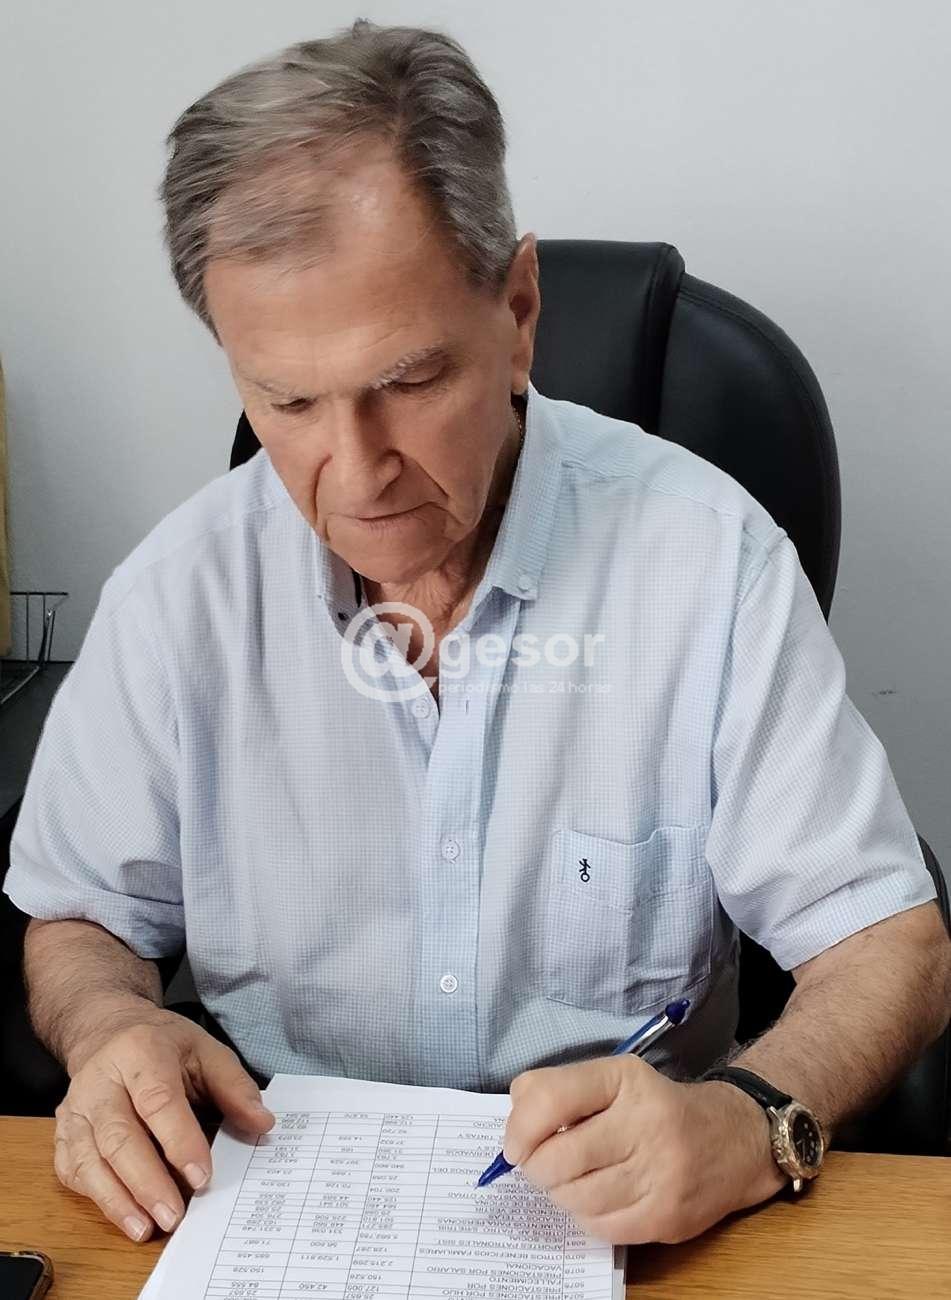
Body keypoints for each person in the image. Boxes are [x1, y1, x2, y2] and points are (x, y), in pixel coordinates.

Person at [5, 18, 950, 1252]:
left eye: (407, 381)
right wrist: (110, 1024)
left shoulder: (708, 563)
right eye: (288, 400)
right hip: (276, 1219)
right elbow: (80, 916)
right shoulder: (178, 594)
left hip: (639, 1235)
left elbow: (891, 943)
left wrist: (753, 1113)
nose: (357, 472)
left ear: (519, 310)